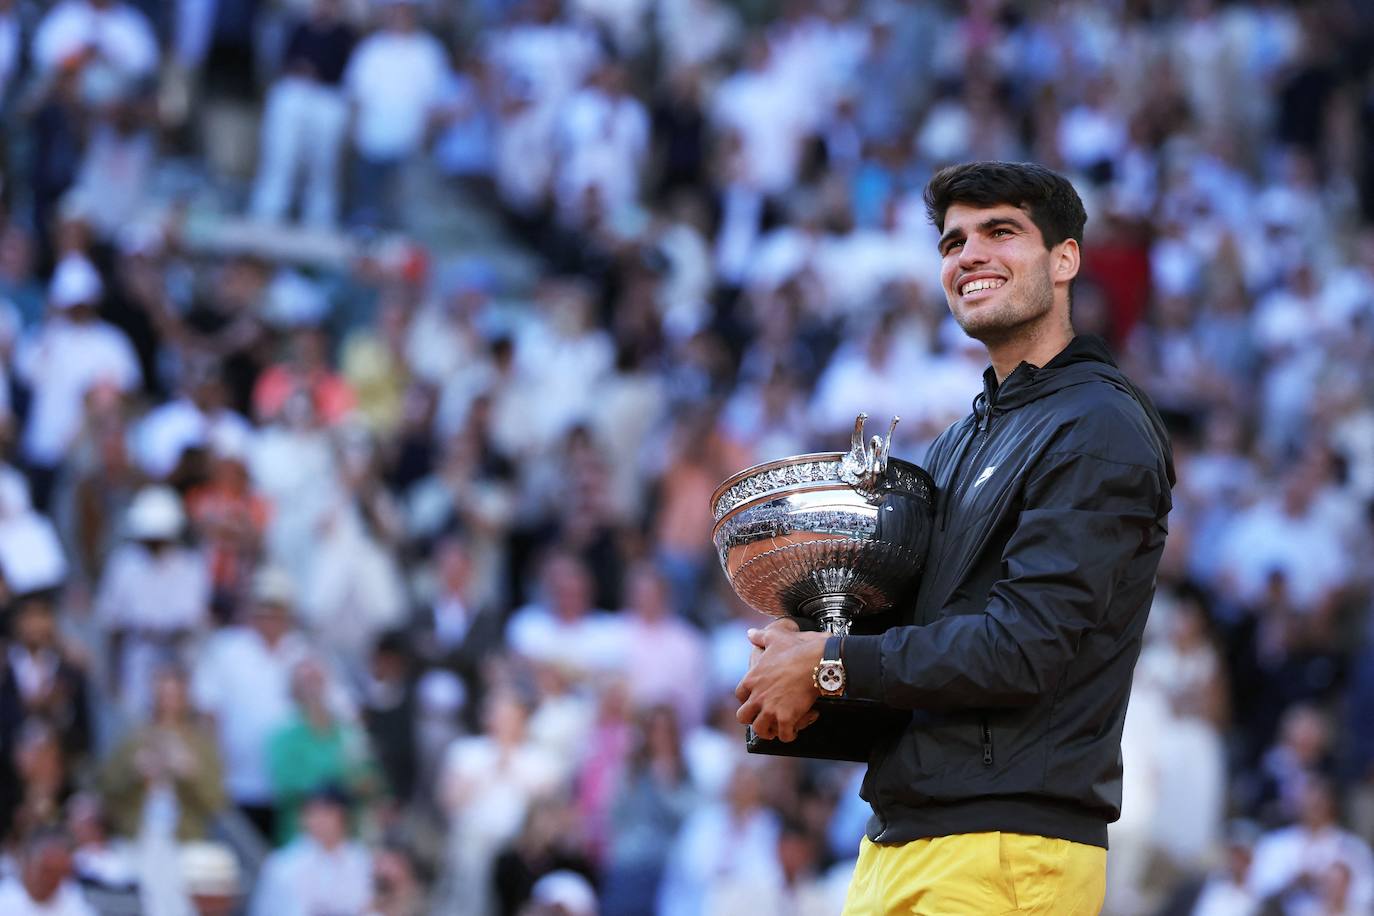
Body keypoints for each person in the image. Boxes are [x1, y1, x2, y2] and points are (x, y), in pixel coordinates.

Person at [735, 161, 1175, 913]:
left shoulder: (1097, 426)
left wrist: (831, 663)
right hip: (901, 839)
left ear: (1064, 259)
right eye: (952, 242)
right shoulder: (959, 440)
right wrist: (808, 654)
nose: (968, 255)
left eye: (1001, 232)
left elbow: (1026, 648)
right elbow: (916, 649)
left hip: (1009, 852)